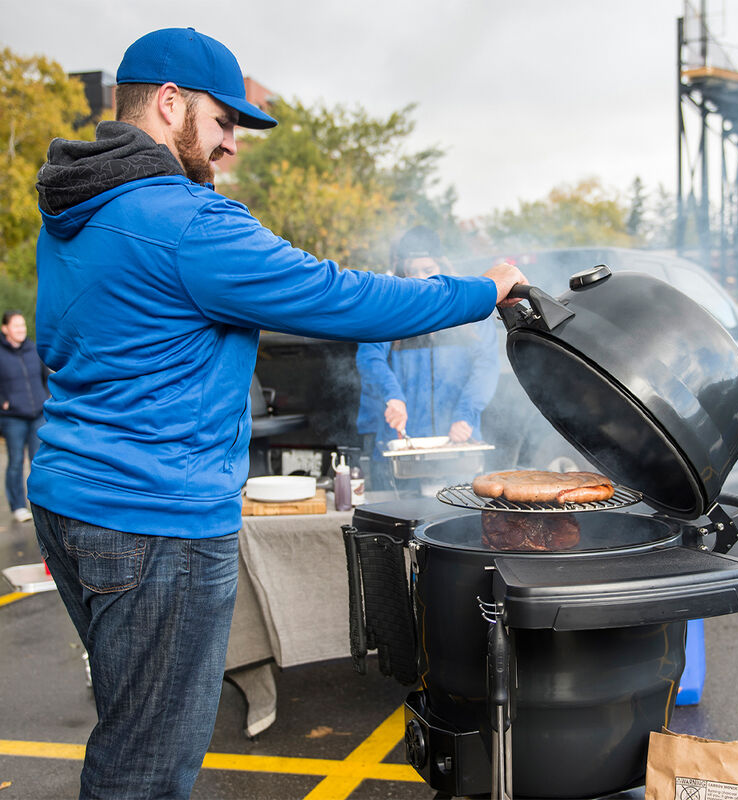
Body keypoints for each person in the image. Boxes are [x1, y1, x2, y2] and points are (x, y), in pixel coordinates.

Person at [30, 27, 527, 800]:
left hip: (70, 502)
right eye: (223, 122)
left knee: (127, 730)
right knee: (149, 765)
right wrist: (477, 292)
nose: (230, 144)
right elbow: (341, 295)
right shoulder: (188, 222)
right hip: (158, 522)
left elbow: (59, 343)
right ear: (169, 104)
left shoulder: (72, 212)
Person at [356, 226, 500, 488]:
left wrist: (465, 415)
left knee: (457, 519)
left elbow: (487, 364)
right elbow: (370, 357)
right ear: (402, 271)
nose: (421, 279)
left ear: (442, 265)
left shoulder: (466, 306)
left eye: (428, 270)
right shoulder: (389, 308)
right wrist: (393, 396)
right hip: (403, 443)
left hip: (457, 441)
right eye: (412, 271)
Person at [0, 311, 48, 522]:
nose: (21, 329)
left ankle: (41, 504)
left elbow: (46, 376)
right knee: (16, 461)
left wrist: (47, 397)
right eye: (16, 326)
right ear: (5, 329)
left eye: (23, 325)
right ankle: (18, 506)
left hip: (37, 413)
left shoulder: (33, 349)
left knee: (38, 460)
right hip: (13, 418)